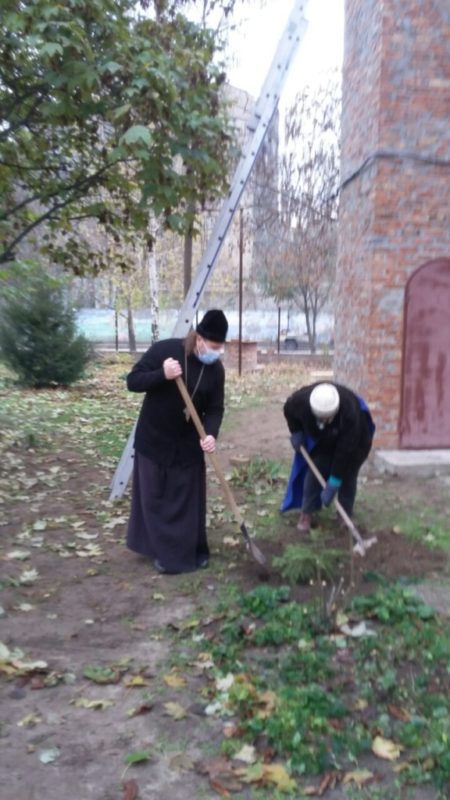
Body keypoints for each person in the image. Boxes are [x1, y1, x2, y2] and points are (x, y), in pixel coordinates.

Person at [126, 309, 228, 574]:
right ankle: (161, 551)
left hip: (187, 444)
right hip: (155, 439)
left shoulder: (215, 370)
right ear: (200, 339)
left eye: (219, 348)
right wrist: (162, 374)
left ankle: (191, 550)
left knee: (187, 499)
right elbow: (133, 381)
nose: (215, 353)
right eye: (213, 346)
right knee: (156, 497)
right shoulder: (167, 351)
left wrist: (210, 433)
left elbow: (216, 408)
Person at [281, 381, 375, 532]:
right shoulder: (300, 401)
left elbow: (345, 451)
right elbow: (289, 411)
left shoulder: (349, 412)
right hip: (324, 437)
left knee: (348, 474)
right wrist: (296, 431)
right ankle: (306, 513)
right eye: (321, 418)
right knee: (316, 467)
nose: (323, 420)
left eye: (327, 418)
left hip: (355, 441)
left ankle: (344, 515)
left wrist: (334, 480)